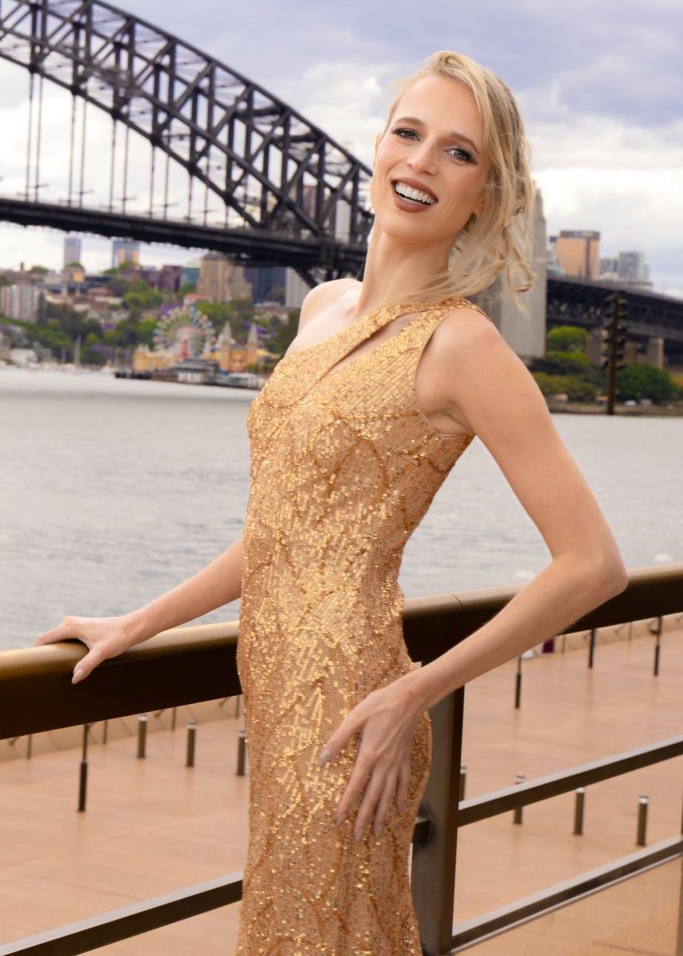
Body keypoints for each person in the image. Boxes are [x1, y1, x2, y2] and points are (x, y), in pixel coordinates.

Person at [35, 51, 628, 955]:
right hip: (271, 688)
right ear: (377, 150)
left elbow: (593, 563)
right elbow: (281, 536)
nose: (422, 162)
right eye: (408, 133)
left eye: (457, 153)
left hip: (350, 706)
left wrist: (414, 694)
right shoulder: (321, 308)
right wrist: (138, 622)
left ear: (486, 196)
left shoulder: (463, 346)